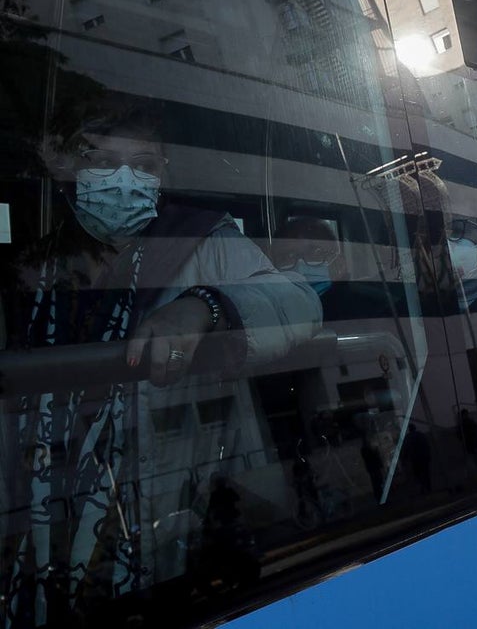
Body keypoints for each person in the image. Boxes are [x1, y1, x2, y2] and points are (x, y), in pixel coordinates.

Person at [0, 97, 322, 625]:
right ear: (67, 169)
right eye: (102, 163)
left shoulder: (202, 239)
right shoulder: (37, 265)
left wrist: (205, 306)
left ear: (163, 173)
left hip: (165, 523)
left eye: (144, 166)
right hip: (39, 515)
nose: (124, 181)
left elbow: (298, 302)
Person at [456, 408, 477, 474]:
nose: (466, 415)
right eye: (465, 414)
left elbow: (476, 426)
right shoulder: (462, 424)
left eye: (466, 414)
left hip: (474, 441)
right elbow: (459, 434)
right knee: (476, 455)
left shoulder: (468, 421)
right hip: (470, 442)